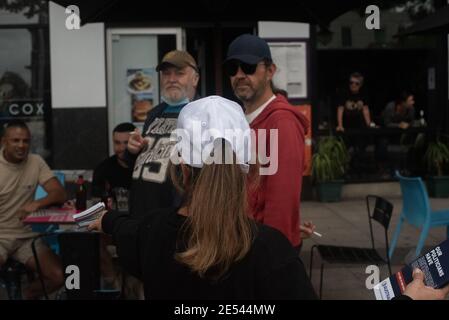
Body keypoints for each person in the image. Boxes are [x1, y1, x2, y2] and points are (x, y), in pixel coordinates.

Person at [89, 96, 318, 299]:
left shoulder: (152, 232)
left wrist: (106, 219)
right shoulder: (271, 250)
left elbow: (124, 227)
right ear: (245, 170)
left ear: (183, 170)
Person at [223, 34, 313, 252]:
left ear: (270, 71)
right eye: (232, 68)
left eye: (249, 67)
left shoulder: (282, 122)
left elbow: (281, 200)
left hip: (264, 250)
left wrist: (271, 254)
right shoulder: (241, 118)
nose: (240, 75)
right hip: (242, 240)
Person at [126, 50, 200, 218]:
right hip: (141, 215)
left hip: (174, 221)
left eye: (179, 73)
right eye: (166, 74)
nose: (172, 79)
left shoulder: (202, 114)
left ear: (195, 79)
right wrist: (132, 151)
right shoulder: (153, 114)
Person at [0, 120, 65, 299]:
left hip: (26, 238)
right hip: (1, 236)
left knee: (59, 276)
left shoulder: (35, 161)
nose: (21, 145)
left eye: (26, 141)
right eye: (15, 140)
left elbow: (59, 193)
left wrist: (37, 203)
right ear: (3, 142)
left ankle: (24, 296)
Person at [92, 122, 136, 203]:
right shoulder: (102, 169)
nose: (122, 148)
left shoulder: (144, 168)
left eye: (126, 143)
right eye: (117, 143)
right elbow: (96, 203)